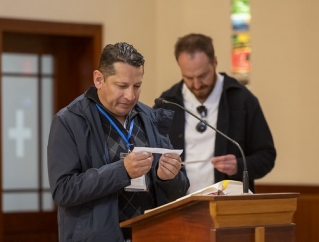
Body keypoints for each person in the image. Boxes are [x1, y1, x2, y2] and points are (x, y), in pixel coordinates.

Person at [47, 42, 189, 242]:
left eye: (137, 86)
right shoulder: (69, 121)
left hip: (150, 235)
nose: (130, 96)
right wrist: (122, 171)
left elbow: (180, 188)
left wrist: (169, 177)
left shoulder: (149, 117)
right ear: (98, 79)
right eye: (122, 86)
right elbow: (63, 190)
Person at [154, 33, 276, 193]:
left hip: (228, 206)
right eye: (188, 77)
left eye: (203, 75)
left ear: (215, 63)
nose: (196, 84)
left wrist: (239, 165)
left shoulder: (242, 99)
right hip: (179, 205)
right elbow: (152, 157)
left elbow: (266, 156)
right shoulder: (167, 103)